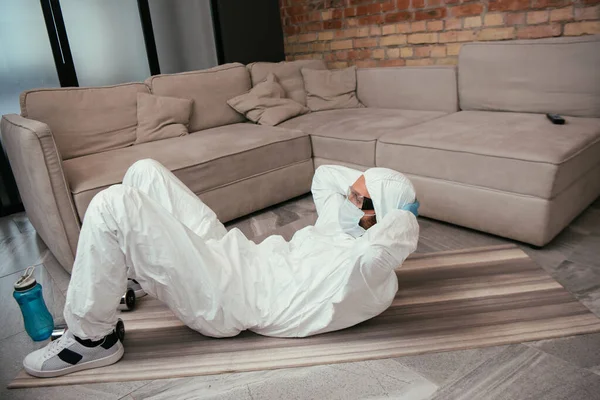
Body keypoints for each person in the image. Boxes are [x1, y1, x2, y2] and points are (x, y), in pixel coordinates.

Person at [23, 159, 420, 378]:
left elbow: (396, 235)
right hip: (235, 254)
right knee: (144, 172)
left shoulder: (370, 272)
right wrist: (371, 181)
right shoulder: (344, 222)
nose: (350, 199)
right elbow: (323, 176)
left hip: (226, 298)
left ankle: (92, 340)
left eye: (361, 199)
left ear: (383, 219)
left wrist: (403, 209)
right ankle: (136, 271)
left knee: (113, 204)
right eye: (354, 193)